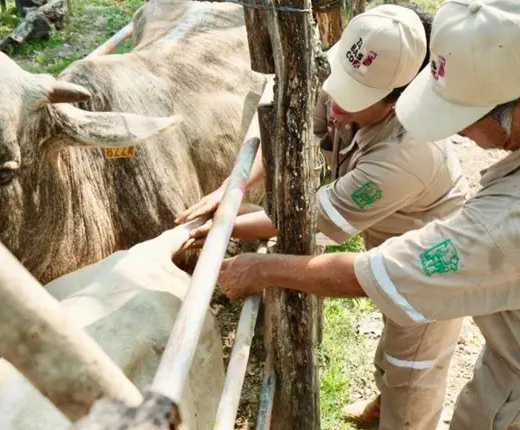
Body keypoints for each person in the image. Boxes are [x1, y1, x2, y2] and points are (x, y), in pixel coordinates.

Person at [211, 0, 520, 428]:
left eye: (463, 116)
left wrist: (263, 268)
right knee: (399, 355)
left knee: (413, 367)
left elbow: (380, 275)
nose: (456, 132)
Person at [176, 4, 469, 428]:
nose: (336, 103)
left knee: (414, 356)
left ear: (398, 100)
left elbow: (313, 219)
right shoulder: (340, 88)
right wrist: (230, 188)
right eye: (340, 83)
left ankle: (405, 416)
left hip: (429, 258)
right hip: (385, 229)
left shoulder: (407, 154)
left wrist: (222, 226)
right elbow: (284, 127)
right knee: (392, 327)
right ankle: (384, 402)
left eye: (356, 97)